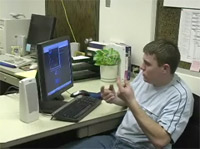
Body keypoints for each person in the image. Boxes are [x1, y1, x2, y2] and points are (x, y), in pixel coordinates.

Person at [60, 39, 194, 149]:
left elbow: (160, 140)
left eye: (147, 64)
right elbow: (127, 101)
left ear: (165, 68)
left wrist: (131, 101)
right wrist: (115, 98)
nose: (141, 67)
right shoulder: (145, 76)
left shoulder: (180, 96)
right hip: (117, 139)